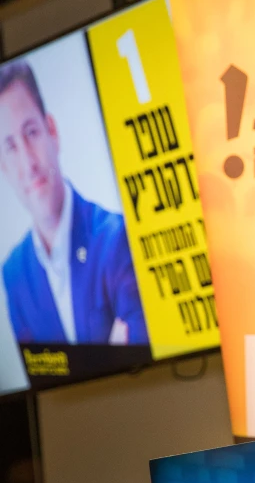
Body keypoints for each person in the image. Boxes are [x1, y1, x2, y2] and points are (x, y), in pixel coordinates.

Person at [0, 60, 147, 346]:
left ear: (52, 131)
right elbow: (45, 370)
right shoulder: (14, 274)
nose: (28, 163)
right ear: (3, 167)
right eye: (11, 147)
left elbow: (137, 351)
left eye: (31, 132)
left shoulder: (116, 239)